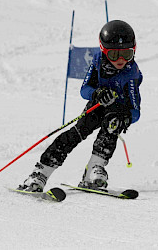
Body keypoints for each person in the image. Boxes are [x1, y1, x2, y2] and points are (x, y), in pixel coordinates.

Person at [18, 20, 143, 192]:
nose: (121, 60)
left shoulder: (131, 73)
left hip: (116, 112)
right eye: (114, 55)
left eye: (127, 54)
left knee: (112, 127)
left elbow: (135, 110)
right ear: (104, 51)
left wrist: (127, 118)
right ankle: (40, 172)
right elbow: (84, 90)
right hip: (96, 107)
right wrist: (97, 93)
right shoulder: (98, 63)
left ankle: (95, 169)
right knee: (76, 134)